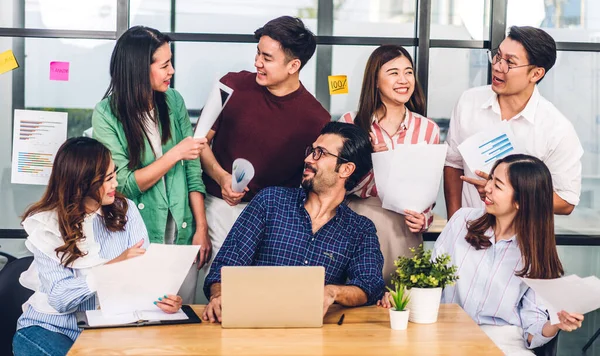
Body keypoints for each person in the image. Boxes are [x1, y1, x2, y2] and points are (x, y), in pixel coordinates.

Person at [380, 154, 584, 355]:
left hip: (503, 343)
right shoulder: (462, 221)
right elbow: (431, 281)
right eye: (490, 180)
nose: (486, 188)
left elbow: (532, 331)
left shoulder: (537, 252)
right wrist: (402, 296)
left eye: (497, 185)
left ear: (520, 202)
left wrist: (556, 323)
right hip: (445, 335)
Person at [12, 137, 183, 356]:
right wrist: (111, 268)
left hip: (108, 329)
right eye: (107, 179)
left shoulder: (126, 210)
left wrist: (163, 300)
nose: (116, 184)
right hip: (51, 328)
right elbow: (60, 298)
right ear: (82, 183)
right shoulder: (47, 224)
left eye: (114, 174)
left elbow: (143, 279)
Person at [202, 122, 384, 323]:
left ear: (346, 169)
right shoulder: (270, 201)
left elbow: (370, 286)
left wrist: (332, 292)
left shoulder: (360, 229)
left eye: (320, 153)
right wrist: (218, 296)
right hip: (253, 327)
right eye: (311, 151)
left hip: (316, 337)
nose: (307, 159)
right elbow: (223, 269)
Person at [199, 16, 330, 276]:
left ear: (294, 65)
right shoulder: (232, 84)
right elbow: (200, 141)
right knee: (215, 291)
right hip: (217, 207)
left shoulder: (317, 119)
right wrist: (221, 176)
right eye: (258, 53)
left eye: (267, 58)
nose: (257, 62)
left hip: (272, 222)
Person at [92, 26, 208, 304]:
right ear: (138, 69)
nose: (172, 71)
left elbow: (193, 170)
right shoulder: (106, 114)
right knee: (144, 322)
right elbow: (124, 185)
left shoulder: (173, 101)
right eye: (165, 65)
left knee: (182, 321)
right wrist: (174, 154)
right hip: (138, 237)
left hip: (183, 233)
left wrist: (201, 227)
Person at [444, 26, 583, 220]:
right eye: (498, 56)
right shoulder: (469, 102)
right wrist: (455, 222)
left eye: (509, 62)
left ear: (536, 74)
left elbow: (566, 201)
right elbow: (453, 163)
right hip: (469, 234)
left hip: (521, 243)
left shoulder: (557, 129)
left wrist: (508, 196)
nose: (498, 66)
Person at [338, 44, 440, 286]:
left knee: (400, 304)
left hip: (403, 227)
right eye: (393, 72)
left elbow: (428, 188)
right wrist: (370, 161)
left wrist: (424, 218)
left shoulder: (428, 129)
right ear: (374, 80)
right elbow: (337, 183)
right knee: (353, 299)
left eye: (408, 72)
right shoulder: (351, 123)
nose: (403, 80)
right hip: (357, 219)